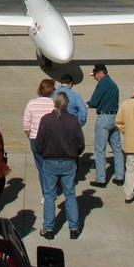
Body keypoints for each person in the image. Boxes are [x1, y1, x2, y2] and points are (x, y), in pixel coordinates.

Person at [36, 92, 84, 240]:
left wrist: (45, 153)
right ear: (67, 104)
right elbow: (80, 144)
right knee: (70, 194)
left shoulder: (46, 120)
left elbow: (39, 143)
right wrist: (74, 154)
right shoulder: (73, 120)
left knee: (50, 195)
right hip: (69, 161)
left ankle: (49, 229)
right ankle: (74, 228)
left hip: (50, 161)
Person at [88, 63, 124, 187]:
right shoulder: (113, 84)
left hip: (104, 119)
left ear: (100, 73)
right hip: (115, 117)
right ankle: (120, 176)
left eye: (95, 75)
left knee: (99, 150)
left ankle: (101, 179)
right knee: (117, 149)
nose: (94, 78)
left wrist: (86, 104)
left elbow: (93, 102)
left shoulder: (102, 84)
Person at [23, 78, 58, 199]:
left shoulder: (31, 103)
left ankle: (46, 194)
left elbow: (26, 124)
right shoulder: (54, 104)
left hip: (35, 139)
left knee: (41, 168)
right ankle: (52, 190)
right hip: (51, 139)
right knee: (51, 167)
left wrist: (31, 136)